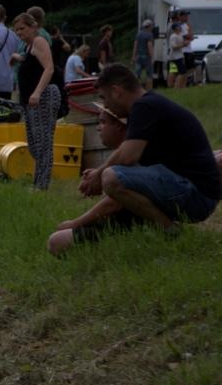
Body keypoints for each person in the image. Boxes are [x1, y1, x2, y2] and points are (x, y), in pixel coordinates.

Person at [50, 65, 220, 251]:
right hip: (185, 190)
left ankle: (170, 231)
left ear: (116, 91)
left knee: (111, 177)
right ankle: (155, 232)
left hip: (195, 194)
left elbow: (128, 157)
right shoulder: (146, 109)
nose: (106, 106)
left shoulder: (145, 106)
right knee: (57, 242)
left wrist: (99, 175)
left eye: (104, 98)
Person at [13, 12, 60, 190]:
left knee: (43, 143)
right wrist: (17, 57)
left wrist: (38, 92)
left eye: (22, 28)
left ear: (33, 27)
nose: (19, 33)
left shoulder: (39, 41)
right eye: (17, 30)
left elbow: (48, 68)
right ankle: (37, 182)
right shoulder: (27, 46)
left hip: (43, 96)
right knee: (34, 144)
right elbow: (31, 62)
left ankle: (42, 186)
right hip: (29, 101)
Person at [168, 14, 191, 90]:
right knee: (182, 72)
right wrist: (183, 44)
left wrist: (185, 43)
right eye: (179, 26)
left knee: (174, 71)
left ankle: (173, 86)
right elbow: (174, 46)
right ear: (176, 28)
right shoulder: (173, 36)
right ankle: (177, 86)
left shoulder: (179, 35)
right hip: (176, 57)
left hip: (178, 56)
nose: (180, 27)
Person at [133, 19, 155, 87]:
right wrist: (152, 57)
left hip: (138, 57)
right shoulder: (149, 34)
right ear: (149, 26)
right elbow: (149, 46)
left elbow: (135, 45)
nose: (152, 27)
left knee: (137, 75)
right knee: (149, 75)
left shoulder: (139, 34)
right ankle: (149, 90)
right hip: (147, 57)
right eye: (152, 26)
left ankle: (136, 89)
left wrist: (133, 56)